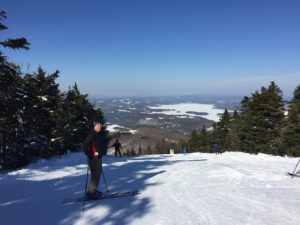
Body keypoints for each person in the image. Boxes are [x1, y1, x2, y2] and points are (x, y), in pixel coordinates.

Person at [83, 120, 106, 199]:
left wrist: (101, 153)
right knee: (95, 176)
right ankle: (90, 193)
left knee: (98, 174)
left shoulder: (98, 135)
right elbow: (84, 146)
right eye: (98, 125)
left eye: (100, 125)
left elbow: (99, 147)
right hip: (93, 159)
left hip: (98, 158)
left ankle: (93, 190)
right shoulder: (92, 135)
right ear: (94, 126)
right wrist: (89, 155)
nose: (100, 126)